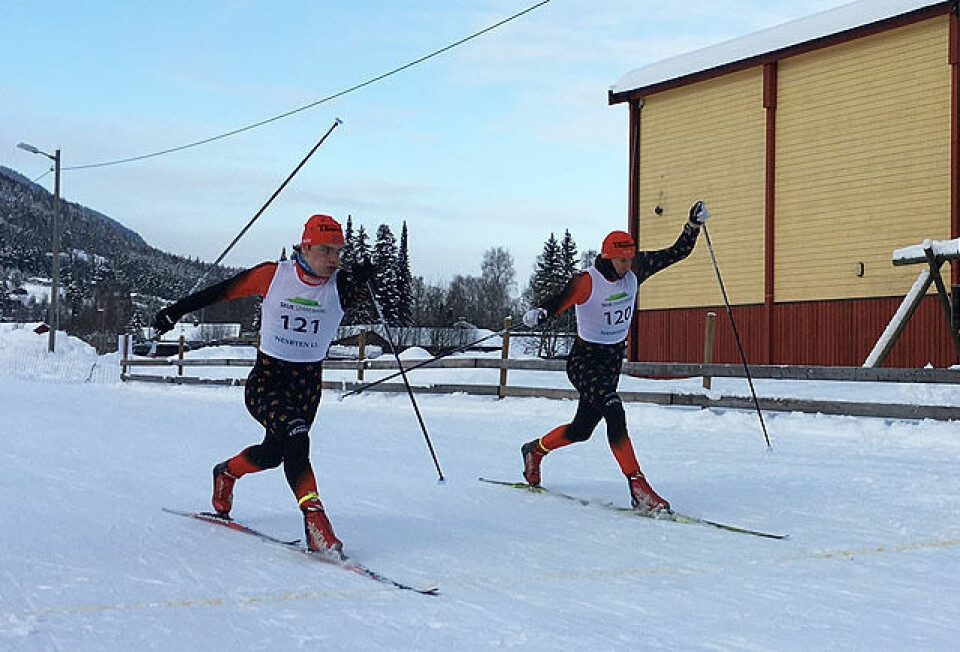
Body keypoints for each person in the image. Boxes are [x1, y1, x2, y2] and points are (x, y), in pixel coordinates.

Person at [153, 214, 372, 556]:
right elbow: (220, 292)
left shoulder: (341, 285)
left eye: (338, 251)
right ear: (305, 247)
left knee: (274, 454)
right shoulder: (273, 275)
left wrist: (367, 278)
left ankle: (226, 473)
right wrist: (174, 312)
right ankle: (316, 522)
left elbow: (364, 290)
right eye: (326, 250)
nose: (334, 259)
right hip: (267, 381)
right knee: (297, 436)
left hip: (307, 385)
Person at [520, 201, 711, 513]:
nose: (627, 266)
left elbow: (677, 252)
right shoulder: (587, 281)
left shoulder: (636, 269)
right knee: (613, 409)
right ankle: (638, 486)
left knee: (581, 430)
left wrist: (693, 226)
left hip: (611, 362)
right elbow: (558, 302)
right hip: (584, 362)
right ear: (608, 256)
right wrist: (540, 313)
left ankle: (535, 450)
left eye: (630, 259)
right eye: (622, 260)